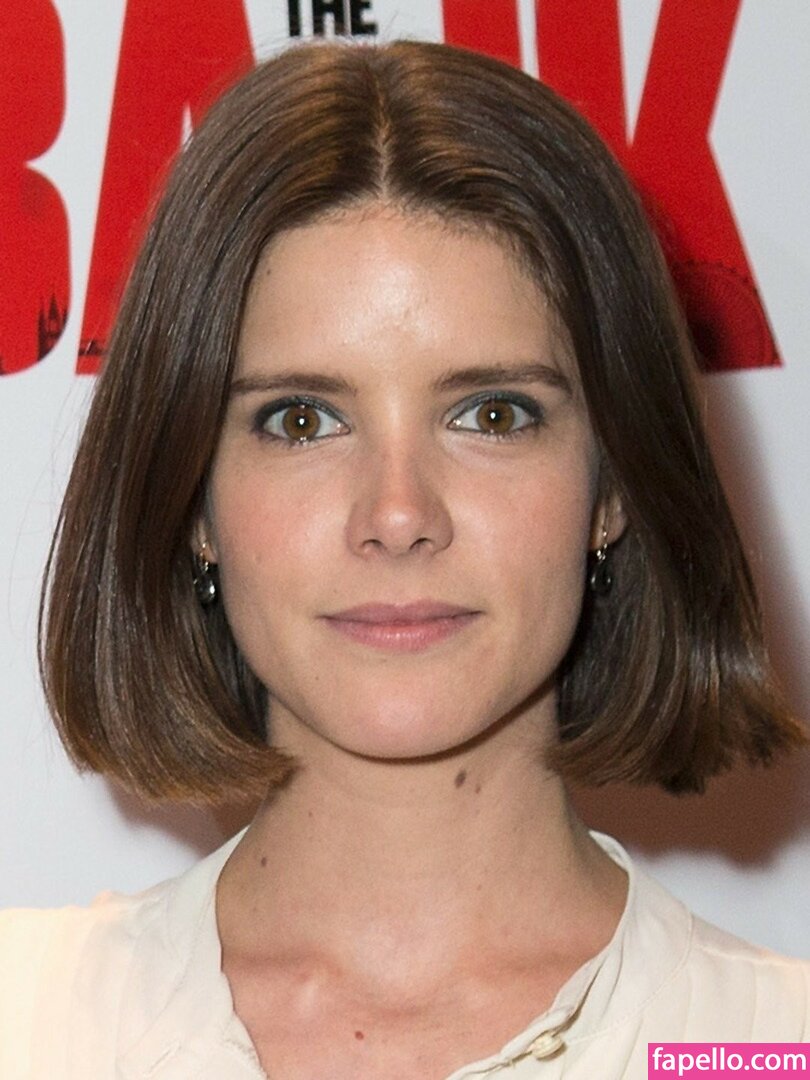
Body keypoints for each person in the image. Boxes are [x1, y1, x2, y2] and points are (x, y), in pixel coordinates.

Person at [1, 37, 808, 1079]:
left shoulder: (774, 1044)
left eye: (493, 414)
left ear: (612, 487)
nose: (396, 515)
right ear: (191, 495)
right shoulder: (24, 1023)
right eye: (301, 420)